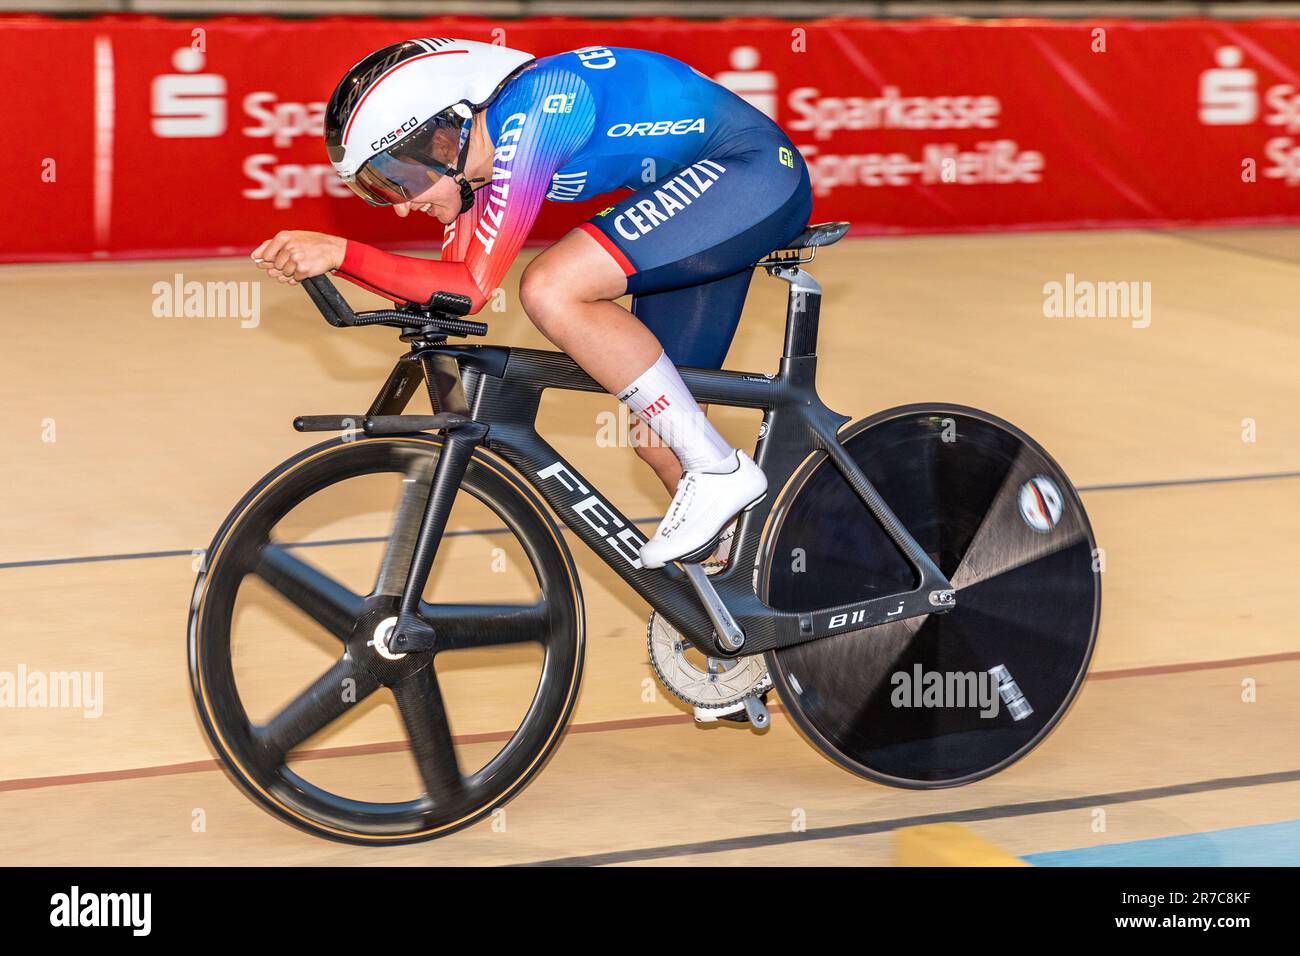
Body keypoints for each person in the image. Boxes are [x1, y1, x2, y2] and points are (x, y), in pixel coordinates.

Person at [253, 38, 813, 571]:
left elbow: (472, 286)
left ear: (442, 138)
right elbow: (453, 294)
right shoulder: (480, 166)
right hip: (706, 202)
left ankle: (720, 470)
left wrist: (341, 252)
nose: (399, 207)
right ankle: (755, 583)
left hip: (751, 175)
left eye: (398, 180)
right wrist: (343, 262)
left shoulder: (538, 111)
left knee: (552, 287)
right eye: (378, 190)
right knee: (660, 439)